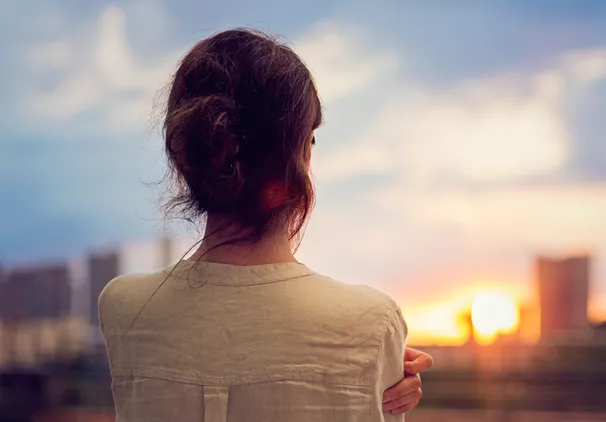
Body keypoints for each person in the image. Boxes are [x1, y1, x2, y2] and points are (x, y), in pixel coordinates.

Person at [98, 28, 432, 422]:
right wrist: (373, 362)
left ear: (190, 155)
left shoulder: (123, 307)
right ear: (302, 153)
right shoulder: (374, 321)